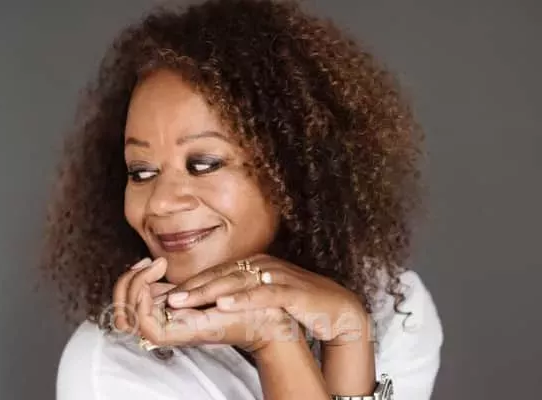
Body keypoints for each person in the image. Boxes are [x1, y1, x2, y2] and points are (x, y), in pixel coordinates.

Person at [42, 0, 443, 399]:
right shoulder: (111, 368)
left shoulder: (394, 310)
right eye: (141, 172)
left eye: (203, 164)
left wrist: (348, 337)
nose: (160, 203)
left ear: (291, 167)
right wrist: (274, 339)